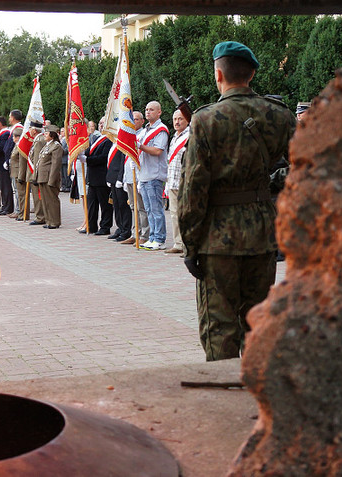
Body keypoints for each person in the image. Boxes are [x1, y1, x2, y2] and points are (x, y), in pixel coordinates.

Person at [179, 41, 296, 361]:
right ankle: (260, 395)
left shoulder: (205, 119)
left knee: (219, 326)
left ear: (219, 74)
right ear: (253, 73)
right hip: (262, 233)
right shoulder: (280, 116)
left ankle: (224, 396)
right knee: (258, 323)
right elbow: (303, 172)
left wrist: (190, 244)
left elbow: (193, 189)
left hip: (218, 240)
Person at [138, 101, 169, 250]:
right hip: (144, 174)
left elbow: (158, 151)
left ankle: (160, 238)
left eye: (151, 109)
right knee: (149, 209)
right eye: (146, 109)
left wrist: (141, 147)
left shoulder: (161, 129)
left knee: (156, 209)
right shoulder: (145, 130)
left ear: (159, 112)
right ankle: (152, 237)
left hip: (155, 175)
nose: (148, 112)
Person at [120, 111, 149, 245]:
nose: (134, 122)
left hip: (138, 175)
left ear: (142, 121)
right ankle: (135, 232)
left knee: (141, 207)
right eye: (132, 120)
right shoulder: (129, 135)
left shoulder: (143, 134)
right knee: (133, 206)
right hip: (129, 175)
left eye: (136, 119)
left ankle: (144, 233)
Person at [165, 109, 190, 255]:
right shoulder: (174, 137)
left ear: (187, 120)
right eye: (175, 119)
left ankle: (188, 245)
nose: (177, 122)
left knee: (185, 215)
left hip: (184, 182)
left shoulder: (190, 136)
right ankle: (178, 243)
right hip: (173, 181)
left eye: (180, 119)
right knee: (174, 214)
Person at [82, 118, 113, 236]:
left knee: (105, 204)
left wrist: (88, 160)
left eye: (103, 123)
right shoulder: (97, 138)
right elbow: (89, 151)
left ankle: (105, 227)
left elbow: (104, 157)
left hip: (102, 177)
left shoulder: (109, 139)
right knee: (91, 203)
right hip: (92, 177)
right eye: (100, 123)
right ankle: (91, 225)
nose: (101, 126)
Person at [36, 124, 63, 229]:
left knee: (52, 200)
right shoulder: (47, 145)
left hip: (49, 177)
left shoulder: (56, 146)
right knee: (45, 200)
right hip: (43, 177)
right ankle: (48, 220)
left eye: (46, 133)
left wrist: (52, 180)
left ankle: (55, 221)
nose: (44, 135)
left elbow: (55, 165)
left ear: (52, 135)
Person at [105, 146, 132, 242]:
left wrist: (120, 178)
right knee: (116, 206)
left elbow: (122, 162)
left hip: (119, 178)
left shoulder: (122, 143)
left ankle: (126, 230)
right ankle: (120, 228)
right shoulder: (114, 144)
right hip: (113, 177)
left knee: (123, 206)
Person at [25, 122, 46, 225]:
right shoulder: (38, 139)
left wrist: (34, 175)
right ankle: (40, 215)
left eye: (30, 129)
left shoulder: (38, 140)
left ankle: (40, 217)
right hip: (35, 173)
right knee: (37, 196)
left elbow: (37, 159)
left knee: (37, 196)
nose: (29, 131)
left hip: (36, 173)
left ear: (34, 130)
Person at [0, 116, 13, 216]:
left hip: (2, 164)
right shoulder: (1, 134)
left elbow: (2, 148)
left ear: (0, 123)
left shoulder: (5, 133)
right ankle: (4, 206)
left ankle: (8, 207)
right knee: (2, 187)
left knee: (5, 187)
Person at [4, 110, 24, 218]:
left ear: (14, 117)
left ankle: (19, 210)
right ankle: (17, 210)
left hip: (16, 164)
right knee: (15, 189)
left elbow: (13, 146)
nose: (9, 119)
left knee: (18, 189)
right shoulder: (14, 129)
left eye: (10, 116)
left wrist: (8, 159)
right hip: (12, 162)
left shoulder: (18, 129)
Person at [9, 127, 27, 221]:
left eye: (14, 136)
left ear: (18, 137)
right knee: (17, 193)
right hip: (14, 172)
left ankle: (21, 212)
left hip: (19, 172)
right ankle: (18, 211)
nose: (13, 138)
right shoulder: (17, 145)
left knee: (20, 194)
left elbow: (21, 162)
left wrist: (21, 175)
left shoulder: (20, 147)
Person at [59, 127, 71, 192]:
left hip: (65, 159)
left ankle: (67, 186)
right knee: (62, 175)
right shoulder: (61, 139)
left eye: (63, 131)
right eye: (61, 131)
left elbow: (67, 149)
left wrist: (60, 151)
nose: (62, 133)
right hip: (61, 159)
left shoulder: (68, 139)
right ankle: (63, 186)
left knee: (66, 174)